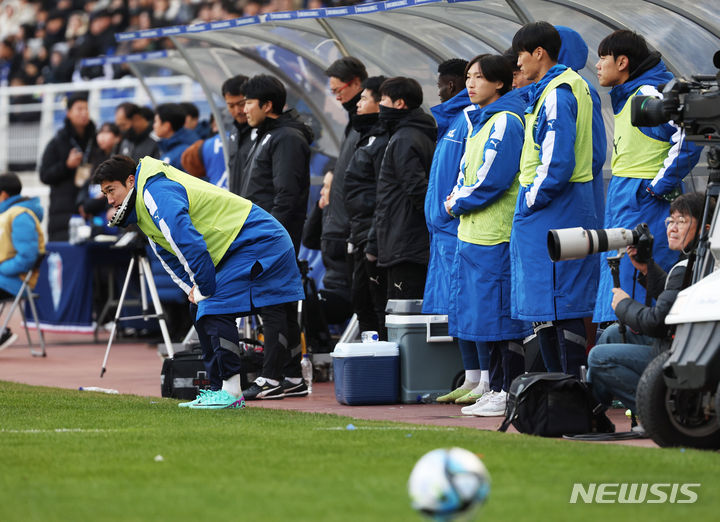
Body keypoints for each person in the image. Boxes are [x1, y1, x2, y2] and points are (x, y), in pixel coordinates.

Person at [93, 155, 305, 409]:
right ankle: (218, 389)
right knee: (200, 306)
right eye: (105, 194)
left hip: (259, 239)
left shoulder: (155, 190)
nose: (110, 200)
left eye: (111, 190)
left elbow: (187, 241)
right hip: (241, 243)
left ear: (130, 181)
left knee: (214, 305)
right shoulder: (143, 206)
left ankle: (231, 392)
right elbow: (170, 259)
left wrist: (204, 289)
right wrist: (193, 290)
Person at [438, 55, 530, 415]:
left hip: (497, 234)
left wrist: (455, 203)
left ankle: (508, 389)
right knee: (484, 317)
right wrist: (456, 197)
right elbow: (466, 173)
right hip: (474, 235)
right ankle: (494, 386)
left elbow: (492, 179)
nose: (470, 84)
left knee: (502, 318)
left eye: (478, 77)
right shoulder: (481, 121)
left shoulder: (506, 120)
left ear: (500, 83)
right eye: (468, 77)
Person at [593, 30, 702, 324]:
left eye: (603, 57)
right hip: (627, 198)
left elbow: (688, 137)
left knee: (638, 286)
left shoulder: (646, 94)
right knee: (620, 282)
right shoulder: (630, 95)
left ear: (623, 62)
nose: (597, 65)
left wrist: (655, 188)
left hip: (644, 202)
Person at [510, 22, 598, 378]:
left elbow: (556, 161)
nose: (518, 64)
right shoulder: (549, 90)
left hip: (554, 209)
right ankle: (554, 392)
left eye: (520, 55)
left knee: (562, 302)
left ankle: (570, 392)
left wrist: (530, 199)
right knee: (545, 307)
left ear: (539, 53)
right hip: (548, 210)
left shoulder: (560, 92)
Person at [588, 192, 713, 425]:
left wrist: (624, 305)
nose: (672, 228)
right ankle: (593, 413)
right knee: (611, 334)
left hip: (678, 353)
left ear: (706, 229)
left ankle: (660, 415)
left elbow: (657, 322)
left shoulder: (689, 266)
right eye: (670, 221)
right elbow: (674, 300)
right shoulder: (698, 261)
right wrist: (647, 269)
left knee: (599, 357)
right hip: (681, 346)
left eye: (682, 221)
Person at [240, 74, 314, 399]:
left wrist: (274, 236)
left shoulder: (286, 138)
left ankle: (270, 378)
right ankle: (292, 376)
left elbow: (287, 193)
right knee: (280, 304)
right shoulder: (267, 136)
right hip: (265, 233)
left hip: (273, 237)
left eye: (248, 102)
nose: (243, 109)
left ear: (267, 105)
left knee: (271, 304)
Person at [375, 77, 437, 299]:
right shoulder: (419, 133)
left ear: (400, 103)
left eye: (383, 99)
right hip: (410, 240)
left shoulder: (403, 138)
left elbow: (416, 188)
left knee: (405, 312)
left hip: (406, 243)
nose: (380, 104)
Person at [423, 58, 471, 318]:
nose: (438, 92)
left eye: (440, 86)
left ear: (451, 85)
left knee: (461, 313)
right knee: (450, 316)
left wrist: (447, 210)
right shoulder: (452, 120)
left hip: (454, 228)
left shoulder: (468, 118)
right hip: (443, 230)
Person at [344, 75, 389, 336]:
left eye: (363, 98)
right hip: (359, 231)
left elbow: (381, 192)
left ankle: (387, 370)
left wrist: (370, 235)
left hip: (373, 233)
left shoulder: (381, 140)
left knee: (374, 303)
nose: (357, 103)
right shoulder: (364, 135)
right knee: (361, 301)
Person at [322, 56, 368, 312]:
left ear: (357, 82)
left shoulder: (367, 123)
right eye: (333, 92)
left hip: (352, 228)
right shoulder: (354, 122)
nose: (337, 98)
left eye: (339, 91)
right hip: (340, 226)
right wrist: (331, 173)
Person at [39, 92, 97, 241]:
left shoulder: (96, 140)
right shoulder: (57, 142)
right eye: (79, 109)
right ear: (68, 113)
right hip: (63, 211)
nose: (84, 113)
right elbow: (44, 175)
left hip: (91, 206)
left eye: (86, 109)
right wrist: (66, 165)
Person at [0, 172, 45, 351]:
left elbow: (27, 257)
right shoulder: (10, 214)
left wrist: (1, 268)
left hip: (17, 281)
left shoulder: (20, 216)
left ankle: (3, 334)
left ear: (3, 195)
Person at [221, 74, 252, 196]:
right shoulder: (234, 132)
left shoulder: (265, 133)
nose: (238, 111)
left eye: (241, 104)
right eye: (231, 106)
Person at [153, 103, 197, 170]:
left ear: (166, 126)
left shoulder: (186, 152)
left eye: (156, 121)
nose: (154, 126)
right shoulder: (168, 148)